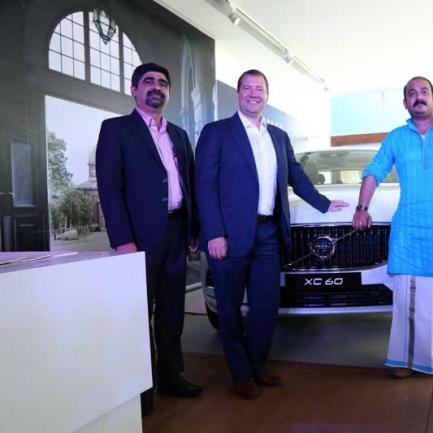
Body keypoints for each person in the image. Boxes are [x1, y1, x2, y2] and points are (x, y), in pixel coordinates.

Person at [194, 69, 348, 400]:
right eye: (247, 88)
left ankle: (257, 365)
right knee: (230, 308)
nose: (254, 93)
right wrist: (214, 233)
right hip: (229, 235)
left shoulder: (278, 136)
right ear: (238, 94)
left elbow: (296, 175)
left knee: (266, 305)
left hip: (268, 233)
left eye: (260, 88)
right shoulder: (217, 132)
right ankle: (240, 374)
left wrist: (324, 203)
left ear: (267, 95)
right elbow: (204, 186)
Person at [96, 63, 202, 417]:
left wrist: (193, 230)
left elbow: (189, 184)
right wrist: (122, 240)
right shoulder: (115, 130)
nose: (157, 87)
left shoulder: (180, 135)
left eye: (162, 83)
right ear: (134, 89)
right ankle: (140, 389)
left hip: (177, 232)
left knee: (172, 312)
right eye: (149, 81)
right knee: (138, 314)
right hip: (138, 239)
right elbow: (110, 189)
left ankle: (171, 377)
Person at [352, 76, 433, 379]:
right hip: (410, 229)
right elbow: (374, 171)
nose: (418, 97)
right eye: (412, 93)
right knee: (410, 299)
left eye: (424, 92)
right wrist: (361, 208)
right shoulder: (396, 137)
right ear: (405, 102)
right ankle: (405, 360)